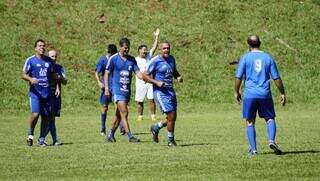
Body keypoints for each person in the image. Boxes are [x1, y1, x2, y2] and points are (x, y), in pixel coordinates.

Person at [234, 35, 287, 156]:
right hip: (265, 94)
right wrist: (282, 93)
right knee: (270, 119)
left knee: (250, 122)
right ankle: (271, 140)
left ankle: (254, 150)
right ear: (260, 43)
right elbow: (276, 78)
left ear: (248, 44)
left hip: (250, 94)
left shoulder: (245, 58)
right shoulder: (268, 58)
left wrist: (236, 91)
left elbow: (238, 77)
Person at [144, 40, 183, 147]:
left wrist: (178, 76)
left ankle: (156, 127)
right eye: (164, 48)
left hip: (170, 91)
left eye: (168, 48)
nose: (166, 50)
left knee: (172, 117)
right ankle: (171, 141)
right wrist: (156, 82)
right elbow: (144, 75)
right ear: (160, 50)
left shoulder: (171, 59)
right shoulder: (155, 61)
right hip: (160, 92)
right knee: (171, 115)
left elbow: (173, 70)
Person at [104, 37, 144, 143]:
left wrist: (148, 79)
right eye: (125, 48)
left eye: (128, 48)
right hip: (117, 91)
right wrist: (107, 88)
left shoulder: (131, 60)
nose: (127, 50)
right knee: (124, 112)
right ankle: (130, 136)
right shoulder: (113, 58)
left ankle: (110, 135)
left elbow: (138, 73)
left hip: (127, 92)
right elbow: (107, 73)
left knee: (118, 115)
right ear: (120, 47)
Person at [21, 39, 57, 146]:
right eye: (40, 46)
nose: (42, 48)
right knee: (36, 114)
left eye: (43, 46)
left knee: (45, 117)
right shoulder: (30, 60)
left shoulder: (48, 61)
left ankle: (41, 139)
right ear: (35, 48)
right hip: (35, 93)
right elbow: (23, 75)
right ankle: (30, 134)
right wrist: (30, 79)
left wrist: (57, 84)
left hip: (47, 93)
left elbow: (52, 75)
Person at [135, 28, 160, 121]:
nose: (145, 51)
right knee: (140, 100)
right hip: (140, 82)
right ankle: (140, 116)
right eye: (143, 50)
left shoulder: (149, 56)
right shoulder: (135, 59)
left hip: (150, 81)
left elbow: (155, 46)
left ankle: (153, 116)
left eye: (146, 50)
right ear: (139, 51)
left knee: (151, 99)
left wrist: (156, 37)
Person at [46, 49, 68, 145]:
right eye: (52, 56)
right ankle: (50, 139)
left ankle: (43, 138)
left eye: (55, 56)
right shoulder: (44, 67)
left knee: (52, 118)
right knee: (49, 118)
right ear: (47, 57)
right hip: (46, 96)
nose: (54, 58)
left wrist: (59, 78)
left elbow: (65, 81)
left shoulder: (59, 67)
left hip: (56, 97)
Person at [95, 44, 117, 135]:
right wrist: (99, 82)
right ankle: (103, 128)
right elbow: (96, 72)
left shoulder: (116, 59)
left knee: (118, 107)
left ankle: (121, 127)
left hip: (115, 87)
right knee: (105, 107)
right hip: (106, 87)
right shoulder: (103, 60)